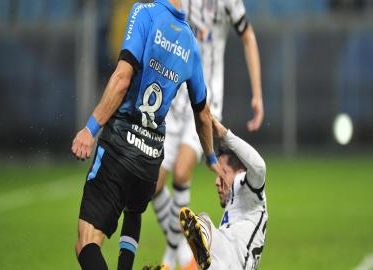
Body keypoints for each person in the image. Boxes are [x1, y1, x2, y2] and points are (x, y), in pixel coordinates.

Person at [71, 1, 224, 269]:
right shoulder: (190, 43)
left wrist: (90, 129)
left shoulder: (145, 12)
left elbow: (122, 79)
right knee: (134, 211)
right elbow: (203, 114)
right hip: (150, 160)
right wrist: (211, 157)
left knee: (86, 242)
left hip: (119, 146)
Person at [144, 0, 264, 268]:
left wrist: (257, 93)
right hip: (175, 98)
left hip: (204, 101)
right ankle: (180, 252)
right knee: (153, 183)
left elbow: (248, 37)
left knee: (183, 172)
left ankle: (178, 257)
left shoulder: (229, 3)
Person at [179, 118, 268, 270]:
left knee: (203, 222)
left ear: (240, 173)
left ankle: (200, 240)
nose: (217, 182)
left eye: (223, 173)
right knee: (204, 225)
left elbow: (259, 167)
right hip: (227, 262)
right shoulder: (234, 209)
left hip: (236, 265)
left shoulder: (248, 191)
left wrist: (225, 135)